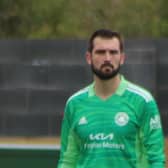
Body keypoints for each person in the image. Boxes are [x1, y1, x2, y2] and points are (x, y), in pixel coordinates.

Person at [57, 29, 165, 168]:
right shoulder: (74, 103)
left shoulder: (143, 101)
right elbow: (67, 160)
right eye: (101, 52)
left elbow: (156, 159)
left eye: (113, 52)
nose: (107, 58)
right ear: (89, 57)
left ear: (122, 58)